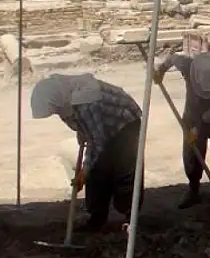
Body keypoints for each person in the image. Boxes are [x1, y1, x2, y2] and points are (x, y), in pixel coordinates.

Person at [31, 73, 144, 232]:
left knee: (124, 170)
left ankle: (130, 218)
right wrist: (82, 135)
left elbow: (97, 141)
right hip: (103, 125)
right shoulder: (64, 100)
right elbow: (84, 127)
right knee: (97, 173)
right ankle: (96, 218)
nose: (55, 113)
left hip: (124, 122)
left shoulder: (85, 101)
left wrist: (84, 171)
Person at [153, 52, 210, 210]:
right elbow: (171, 57)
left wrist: (203, 122)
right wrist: (161, 70)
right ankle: (193, 188)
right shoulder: (188, 64)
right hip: (193, 115)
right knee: (192, 152)